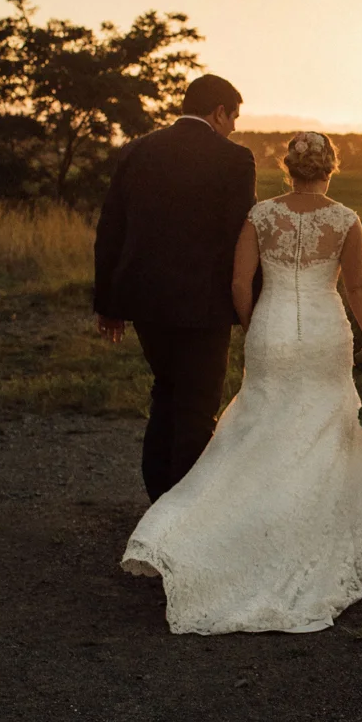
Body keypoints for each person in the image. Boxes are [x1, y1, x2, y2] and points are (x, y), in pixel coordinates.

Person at [121, 131, 362, 634]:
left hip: (271, 329)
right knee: (323, 428)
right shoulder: (345, 220)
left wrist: (255, 325)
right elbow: (358, 287)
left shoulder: (261, 216)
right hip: (323, 334)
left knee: (259, 427)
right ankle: (304, 530)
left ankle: (199, 528)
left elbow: (239, 283)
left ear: (288, 168)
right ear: (331, 168)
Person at [92, 75, 257, 502]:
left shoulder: (137, 150)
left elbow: (111, 229)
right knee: (198, 406)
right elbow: (242, 238)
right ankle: (184, 510)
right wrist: (253, 306)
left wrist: (108, 304)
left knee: (165, 392)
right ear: (218, 112)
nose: (234, 127)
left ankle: (159, 498)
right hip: (205, 307)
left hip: (145, 302)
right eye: (233, 117)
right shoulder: (235, 159)